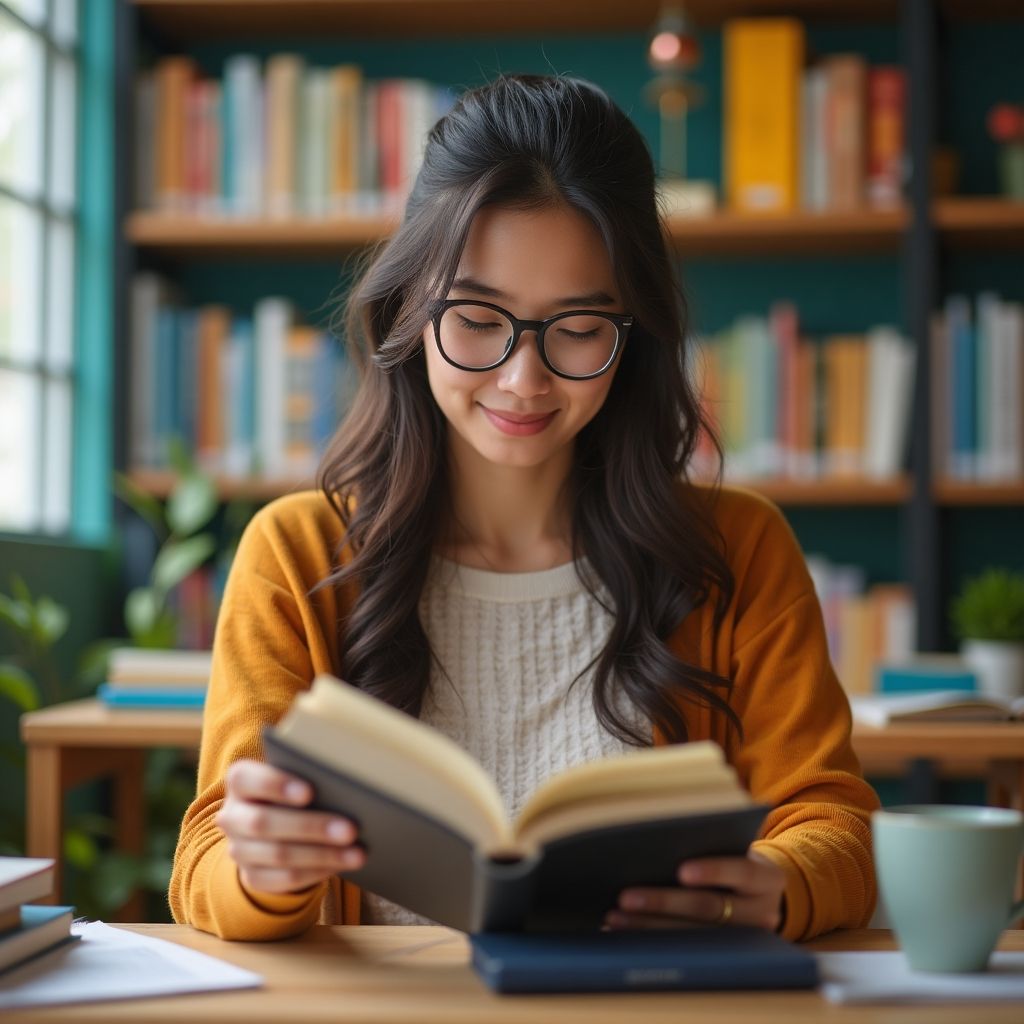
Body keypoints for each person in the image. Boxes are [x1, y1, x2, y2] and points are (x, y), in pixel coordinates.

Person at [170, 73, 879, 942]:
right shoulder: (296, 554)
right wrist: (263, 867)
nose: (523, 378)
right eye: (478, 317)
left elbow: (838, 829)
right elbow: (205, 861)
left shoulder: (738, 549)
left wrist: (770, 883)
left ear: (634, 337)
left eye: (578, 328)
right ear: (411, 309)